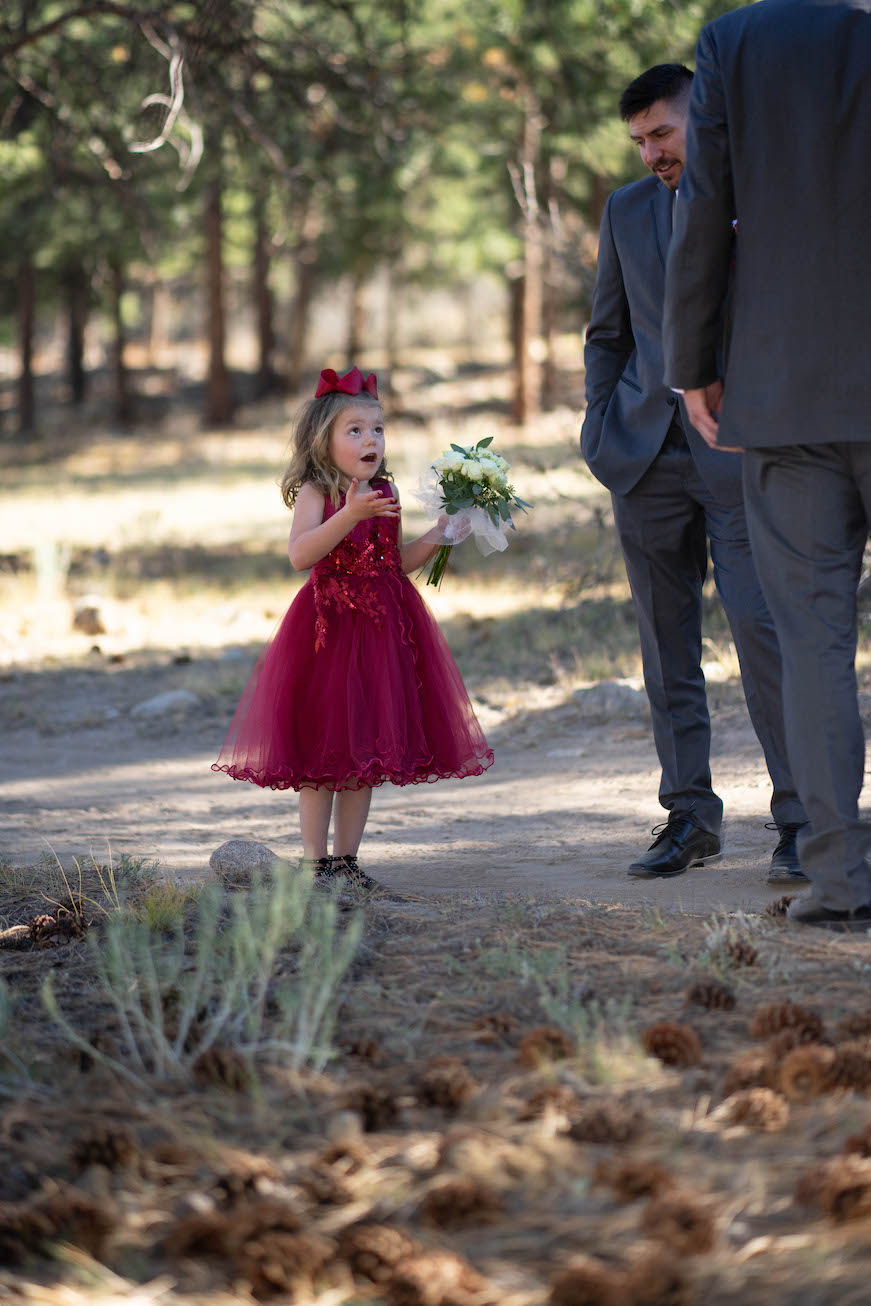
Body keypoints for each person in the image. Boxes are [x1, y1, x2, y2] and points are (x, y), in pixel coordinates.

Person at [663, 2, 871, 930]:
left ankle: (839, 883)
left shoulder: (739, 39)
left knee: (815, 645)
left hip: (783, 388)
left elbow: (705, 199)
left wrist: (693, 366)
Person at [581, 63, 807, 882]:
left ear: (699, 118)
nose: (649, 153)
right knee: (664, 644)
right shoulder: (625, 208)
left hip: (745, 455)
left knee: (762, 630)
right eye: (637, 140)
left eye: (661, 134)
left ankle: (800, 821)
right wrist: (598, 424)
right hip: (642, 457)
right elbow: (606, 332)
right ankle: (688, 817)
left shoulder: (765, 197)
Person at [212, 365, 493, 889]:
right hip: (328, 633)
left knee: (364, 753)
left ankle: (346, 863)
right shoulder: (319, 492)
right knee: (322, 752)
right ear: (325, 441)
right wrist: (350, 513)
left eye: (378, 429)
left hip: (382, 632)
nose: (371, 439)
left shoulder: (384, 491)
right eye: (355, 430)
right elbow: (301, 554)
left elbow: (393, 561)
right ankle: (314, 862)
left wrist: (440, 533)